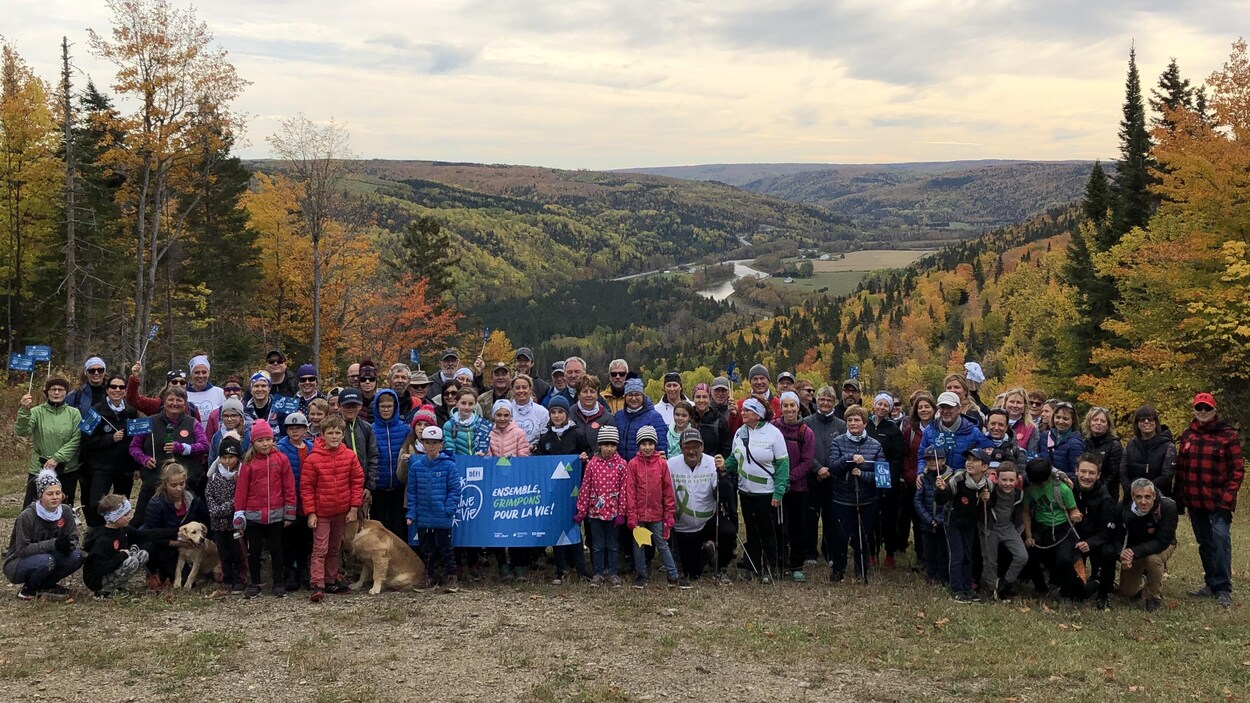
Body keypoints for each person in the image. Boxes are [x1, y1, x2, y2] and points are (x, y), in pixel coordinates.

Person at [1175, 392, 1244, 609]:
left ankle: (1223, 588)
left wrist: (1226, 499)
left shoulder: (1227, 435)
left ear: (1214, 410)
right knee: (1205, 544)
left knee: (1221, 542)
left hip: (1219, 503)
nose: (1203, 412)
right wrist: (1179, 498)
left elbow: (1237, 471)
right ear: (1194, 410)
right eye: (1199, 408)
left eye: (1207, 408)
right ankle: (1211, 584)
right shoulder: (1187, 435)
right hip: (1195, 502)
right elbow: (1181, 470)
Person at [720, 398, 789, 583]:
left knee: (768, 531)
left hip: (767, 492)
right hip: (746, 491)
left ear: (758, 414)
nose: (743, 413)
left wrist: (779, 492)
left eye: (747, 410)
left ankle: (772, 568)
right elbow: (735, 459)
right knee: (751, 531)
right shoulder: (740, 433)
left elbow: (783, 465)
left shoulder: (773, 433)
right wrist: (722, 466)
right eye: (743, 410)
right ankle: (753, 567)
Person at [233, 419, 296, 598]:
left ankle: (278, 582)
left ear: (273, 439)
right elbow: (241, 490)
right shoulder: (248, 462)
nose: (265, 443)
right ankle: (255, 583)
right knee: (255, 551)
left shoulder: (281, 459)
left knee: (277, 549)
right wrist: (239, 512)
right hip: (253, 515)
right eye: (260, 440)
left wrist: (289, 512)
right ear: (253, 442)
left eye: (268, 439)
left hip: (276, 514)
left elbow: (289, 487)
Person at [304, 415, 365, 601]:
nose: (334, 436)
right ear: (322, 435)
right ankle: (317, 583)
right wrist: (311, 512)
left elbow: (357, 481)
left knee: (334, 548)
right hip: (322, 512)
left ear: (343, 434)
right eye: (330, 433)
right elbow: (307, 488)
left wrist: (354, 508)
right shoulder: (313, 459)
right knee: (320, 548)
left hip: (342, 511)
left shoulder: (349, 456)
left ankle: (331, 580)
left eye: (338, 433)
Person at [129, 385, 208, 522]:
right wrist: (144, 459)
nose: (175, 403)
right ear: (164, 402)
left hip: (185, 485)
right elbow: (134, 447)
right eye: (171, 399)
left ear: (185, 404)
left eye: (179, 400)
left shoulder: (193, 423)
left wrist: (183, 448)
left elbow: (204, 445)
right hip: (154, 481)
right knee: (140, 521)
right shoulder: (148, 421)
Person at [3, 469, 85, 600]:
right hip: (19, 561)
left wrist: (69, 545)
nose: (55, 497)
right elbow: (22, 549)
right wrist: (53, 544)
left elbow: (73, 536)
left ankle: (47, 585)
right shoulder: (27, 516)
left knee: (77, 556)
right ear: (41, 495)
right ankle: (29, 589)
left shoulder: (66, 511)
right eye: (50, 494)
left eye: (58, 493)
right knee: (47, 561)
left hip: (49, 554)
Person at [537, 395, 592, 585]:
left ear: (567, 414)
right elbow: (541, 461)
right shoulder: (546, 437)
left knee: (574, 528)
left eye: (561, 412)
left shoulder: (576, 433)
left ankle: (581, 569)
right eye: (553, 412)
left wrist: (585, 456)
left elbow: (588, 452)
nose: (557, 415)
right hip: (554, 490)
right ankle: (560, 570)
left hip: (573, 488)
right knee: (556, 529)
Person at [827, 406, 883, 583]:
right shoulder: (838, 441)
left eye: (857, 420)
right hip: (842, 498)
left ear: (865, 423)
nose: (853, 423)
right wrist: (849, 457)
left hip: (867, 500)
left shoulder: (876, 445)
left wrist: (863, 474)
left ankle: (862, 571)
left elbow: (882, 477)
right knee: (840, 536)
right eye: (850, 420)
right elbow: (833, 466)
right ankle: (838, 569)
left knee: (863, 537)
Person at [404, 426, 462, 592]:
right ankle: (430, 577)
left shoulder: (448, 466)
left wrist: (448, 509)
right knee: (427, 549)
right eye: (428, 443)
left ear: (441, 444)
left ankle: (451, 577)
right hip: (423, 516)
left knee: (446, 548)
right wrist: (412, 513)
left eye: (435, 443)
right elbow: (412, 492)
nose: (431, 446)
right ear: (422, 444)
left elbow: (455, 489)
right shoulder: (416, 466)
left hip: (442, 515)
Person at [625, 426, 683, 589]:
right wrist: (632, 515)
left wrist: (669, 515)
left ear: (655, 444)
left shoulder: (662, 464)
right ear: (639, 445)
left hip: (657, 514)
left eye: (650, 443)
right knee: (639, 545)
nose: (647, 447)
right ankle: (641, 574)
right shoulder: (633, 464)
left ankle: (673, 574)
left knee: (662, 544)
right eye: (643, 444)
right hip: (638, 515)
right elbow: (630, 490)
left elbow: (667, 490)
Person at [79, 373, 140, 527]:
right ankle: (96, 533)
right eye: (113, 386)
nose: (117, 390)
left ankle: (118, 534)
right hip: (101, 467)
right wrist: (110, 439)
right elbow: (85, 441)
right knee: (96, 503)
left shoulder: (131, 412)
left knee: (122, 505)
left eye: (121, 387)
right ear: (107, 390)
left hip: (124, 468)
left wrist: (136, 466)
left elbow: (137, 441)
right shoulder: (95, 411)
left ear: (125, 391)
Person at [140, 460, 210, 589]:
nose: (179, 489)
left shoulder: (192, 499)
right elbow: (150, 535)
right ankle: (153, 571)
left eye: (182, 484)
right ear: (165, 484)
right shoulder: (156, 503)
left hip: (187, 547)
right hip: (164, 547)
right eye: (173, 485)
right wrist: (179, 543)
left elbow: (206, 518)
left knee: (189, 582)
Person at [935, 448, 993, 602]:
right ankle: (956, 589)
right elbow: (941, 500)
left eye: (974, 460)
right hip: (953, 521)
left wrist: (987, 499)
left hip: (970, 523)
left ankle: (968, 587)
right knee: (957, 555)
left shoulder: (987, 484)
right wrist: (941, 490)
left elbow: (986, 508)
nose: (970, 463)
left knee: (968, 555)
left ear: (984, 467)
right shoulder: (958, 479)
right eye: (968, 459)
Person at [17, 377, 83, 508]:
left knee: (63, 506)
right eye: (53, 389)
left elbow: (77, 438)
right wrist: (24, 411)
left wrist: (57, 458)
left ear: (66, 392)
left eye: (60, 389)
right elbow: (23, 431)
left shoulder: (74, 413)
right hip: (40, 467)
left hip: (67, 468)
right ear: (47, 392)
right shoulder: (36, 412)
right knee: (33, 506)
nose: (57, 393)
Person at [668, 428, 723, 583]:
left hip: (707, 522)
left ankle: (716, 557)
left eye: (696, 447)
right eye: (687, 447)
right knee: (692, 574)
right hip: (680, 526)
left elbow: (720, 491)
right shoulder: (670, 464)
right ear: (680, 448)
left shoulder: (712, 463)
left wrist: (723, 474)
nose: (692, 451)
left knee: (728, 530)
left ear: (702, 447)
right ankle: (704, 554)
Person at [1022, 458, 1082, 600]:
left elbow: (1073, 509)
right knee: (1030, 554)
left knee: (1064, 560)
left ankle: (1066, 593)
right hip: (1040, 527)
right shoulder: (1030, 488)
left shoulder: (1062, 489)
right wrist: (1028, 536)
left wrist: (1076, 515)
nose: (1039, 485)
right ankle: (1040, 587)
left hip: (1061, 528)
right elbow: (1025, 512)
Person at [575, 425, 628, 587]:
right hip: (595, 513)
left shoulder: (622, 465)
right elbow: (585, 488)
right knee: (597, 545)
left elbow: (624, 490)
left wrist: (622, 513)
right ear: (599, 445)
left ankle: (612, 572)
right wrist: (581, 510)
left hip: (613, 513)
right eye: (606, 445)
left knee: (613, 545)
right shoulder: (592, 464)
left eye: (612, 445)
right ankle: (598, 572)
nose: (609, 449)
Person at [1118, 478, 1179, 612]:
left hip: (1163, 544)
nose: (1143, 501)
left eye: (1147, 497)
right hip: (1136, 547)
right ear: (1133, 496)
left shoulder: (1168, 507)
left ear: (1154, 495)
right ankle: (1144, 583)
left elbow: (1163, 541)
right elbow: (1116, 535)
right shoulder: (1123, 507)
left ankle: (1154, 596)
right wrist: (1122, 554)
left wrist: (1134, 552)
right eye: (1139, 497)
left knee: (1153, 559)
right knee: (1127, 592)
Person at [774, 391, 815, 581]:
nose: (789, 409)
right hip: (776, 487)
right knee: (779, 526)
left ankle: (797, 565)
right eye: (785, 405)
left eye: (792, 405)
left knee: (797, 527)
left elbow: (807, 462)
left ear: (798, 407)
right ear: (780, 407)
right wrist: (779, 480)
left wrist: (788, 477)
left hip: (798, 487)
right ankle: (780, 561)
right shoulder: (774, 428)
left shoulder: (806, 432)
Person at [1072, 453, 1120, 609]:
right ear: (1076, 471)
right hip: (1075, 539)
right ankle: (1084, 584)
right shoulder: (1069, 490)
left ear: (1098, 475)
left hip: (1098, 541)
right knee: (1076, 593)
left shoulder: (1106, 499)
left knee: (1109, 552)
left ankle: (1104, 592)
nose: (1087, 476)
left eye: (1092, 473)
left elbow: (1108, 531)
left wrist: (1090, 543)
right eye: (1083, 472)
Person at [83, 494, 150, 598]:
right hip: (98, 578)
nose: (129, 517)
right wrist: (122, 556)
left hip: (113, 566)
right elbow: (100, 568)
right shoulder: (103, 540)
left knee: (142, 554)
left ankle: (118, 586)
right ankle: (104, 591)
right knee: (132, 561)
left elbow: (144, 534)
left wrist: (173, 533)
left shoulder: (122, 529)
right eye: (125, 515)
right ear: (115, 517)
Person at [867, 392, 906, 569]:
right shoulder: (865, 424)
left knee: (889, 518)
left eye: (886, 405)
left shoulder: (893, 429)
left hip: (887, 477)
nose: (882, 408)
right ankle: (872, 552)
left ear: (890, 409)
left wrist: (891, 480)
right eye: (879, 404)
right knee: (871, 517)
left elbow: (898, 457)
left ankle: (890, 553)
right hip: (868, 477)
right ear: (874, 405)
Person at [278, 412, 314, 592]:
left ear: (305, 429)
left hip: (307, 499)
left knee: (305, 538)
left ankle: (303, 569)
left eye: (298, 428)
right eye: (291, 429)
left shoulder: (311, 447)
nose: (295, 432)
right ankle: (289, 571)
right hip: (288, 499)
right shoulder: (281, 448)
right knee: (288, 538)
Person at [205, 435, 246, 593]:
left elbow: (239, 497)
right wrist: (214, 509)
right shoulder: (214, 475)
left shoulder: (241, 475)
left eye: (231, 457)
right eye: (224, 457)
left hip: (234, 521)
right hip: (217, 522)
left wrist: (225, 508)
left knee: (237, 551)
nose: (227, 461)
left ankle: (239, 579)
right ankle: (227, 578)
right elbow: (209, 494)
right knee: (224, 551)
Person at [917, 392, 992, 476]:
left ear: (959, 409)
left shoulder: (973, 431)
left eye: (949, 407)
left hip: (963, 482)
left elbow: (983, 457)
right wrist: (921, 473)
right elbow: (921, 456)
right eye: (942, 407)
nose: (945, 411)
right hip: (935, 481)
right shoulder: (930, 430)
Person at [371, 388, 412, 541]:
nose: (386, 410)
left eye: (389, 406)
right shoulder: (371, 429)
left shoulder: (405, 429)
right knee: (379, 524)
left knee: (398, 525)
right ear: (377, 408)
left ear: (395, 407)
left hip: (398, 486)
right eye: (383, 407)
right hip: (379, 486)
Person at [983, 461, 1027, 601]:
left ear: (1017, 479)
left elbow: (1019, 512)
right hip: (990, 527)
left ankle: (1005, 583)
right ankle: (992, 588)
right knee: (991, 560)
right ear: (997, 478)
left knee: (1022, 556)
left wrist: (1020, 529)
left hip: (1008, 527)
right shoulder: (990, 490)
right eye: (1004, 480)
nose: (1008, 483)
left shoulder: (1018, 494)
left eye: (1011, 480)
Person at [1120, 404, 1175, 499]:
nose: (1146, 422)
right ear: (1137, 423)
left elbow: (1167, 475)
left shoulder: (1168, 446)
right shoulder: (1130, 445)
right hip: (1132, 496)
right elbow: (1123, 472)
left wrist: (1145, 490)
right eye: (1142, 419)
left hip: (1159, 496)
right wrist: (1131, 491)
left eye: (1150, 419)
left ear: (1156, 422)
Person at [339, 389, 378, 508]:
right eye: (347, 405)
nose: (351, 409)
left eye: (354, 405)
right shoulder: (333, 427)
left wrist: (369, 486)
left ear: (360, 406)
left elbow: (373, 457)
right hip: (340, 486)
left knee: (360, 521)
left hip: (362, 486)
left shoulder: (366, 428)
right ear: (340, 406)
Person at [915, 447, 948, 585]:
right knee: (929, 551)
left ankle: (942, 575)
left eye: (935, 459)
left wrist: (939, 519)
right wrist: (928, 519)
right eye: (928, 460)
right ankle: (931, 573)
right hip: (927, 522)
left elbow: (949, 502)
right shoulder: (923, 478)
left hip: (942, 521)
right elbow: (917, 500)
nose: (932, 462)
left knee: (942, 550)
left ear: (943, 460)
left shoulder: (950, 477)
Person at [615, 378, 669, 461]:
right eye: (630, 395)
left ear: (643, 396)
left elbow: (661, 446)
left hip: (645, 468)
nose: (633, 398)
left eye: (637, 395)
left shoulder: (654, 417)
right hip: (621, 468)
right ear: (625, 397)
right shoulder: (618, 417)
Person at [1082, 406, 1123, 501]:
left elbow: (1114, 475)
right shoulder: (1084, 443)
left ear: (1108, 425)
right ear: (1089, 422)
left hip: (1107, 496)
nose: (1098, 423)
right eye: (1095, 420)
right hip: (1085, 494)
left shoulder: (1115, 445)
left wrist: (1095, 488)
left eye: (1102, 421)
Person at [443, 388, 493, 456]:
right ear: (456, 403)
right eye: (463, 403)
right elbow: (449, 450)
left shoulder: (482, 424)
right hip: (458, 464)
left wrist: (483, 454)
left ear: (475, 404)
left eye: (470, 404)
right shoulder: (449, 425)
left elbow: (488, 449)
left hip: (478, 464)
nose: (467, 407)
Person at [571, 375, 616, 448]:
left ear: (597, 395)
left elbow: (611, 446)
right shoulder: (570, 414)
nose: (589, 395)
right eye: (585, 391)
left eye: (592, 391)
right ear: (578, 395)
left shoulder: (607, 418)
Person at [691, 383, 731, 458]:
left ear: (710, 398)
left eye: (705, 397)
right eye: (698, 397)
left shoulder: (719, 420)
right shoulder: (688, 417)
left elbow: (726, 448)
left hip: (713, 464)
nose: (701, 400)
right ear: (693, 399)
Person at [208, 397, 251, 465]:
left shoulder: (249, 435)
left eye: (233, 415)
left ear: (241, 417)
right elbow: (212, 459)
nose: (229, 419)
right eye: (225, 416)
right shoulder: (217, 436)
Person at [203, 374, 246, 440]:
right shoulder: (215, 414)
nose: (231, 392)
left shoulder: (249, 410)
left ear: (242, 391)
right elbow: (209, 440)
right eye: (227, 390)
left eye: (235, 389)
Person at [509, 374, 549, 445]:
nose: (521, 390)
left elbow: (546, 437)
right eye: (517, 388)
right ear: (512, 390)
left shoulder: (542, 412)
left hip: (535, 453)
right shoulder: (506, 411)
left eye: (524, 387)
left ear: (530, 389)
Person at [1002, 388, 1040, 457]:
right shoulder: (996, 424)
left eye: (1019, 402)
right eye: (1011, 401)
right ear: (1005, 403)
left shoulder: (1031, 429)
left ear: (1025, 406)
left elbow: (1032, 456)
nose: (1015, 405)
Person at [187, 354, 226, 419]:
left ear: (209, 373)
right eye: (197, 372)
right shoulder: (184, 394)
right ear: (191, 374)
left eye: (204, 372)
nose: (201, 376)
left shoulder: (219, 393)